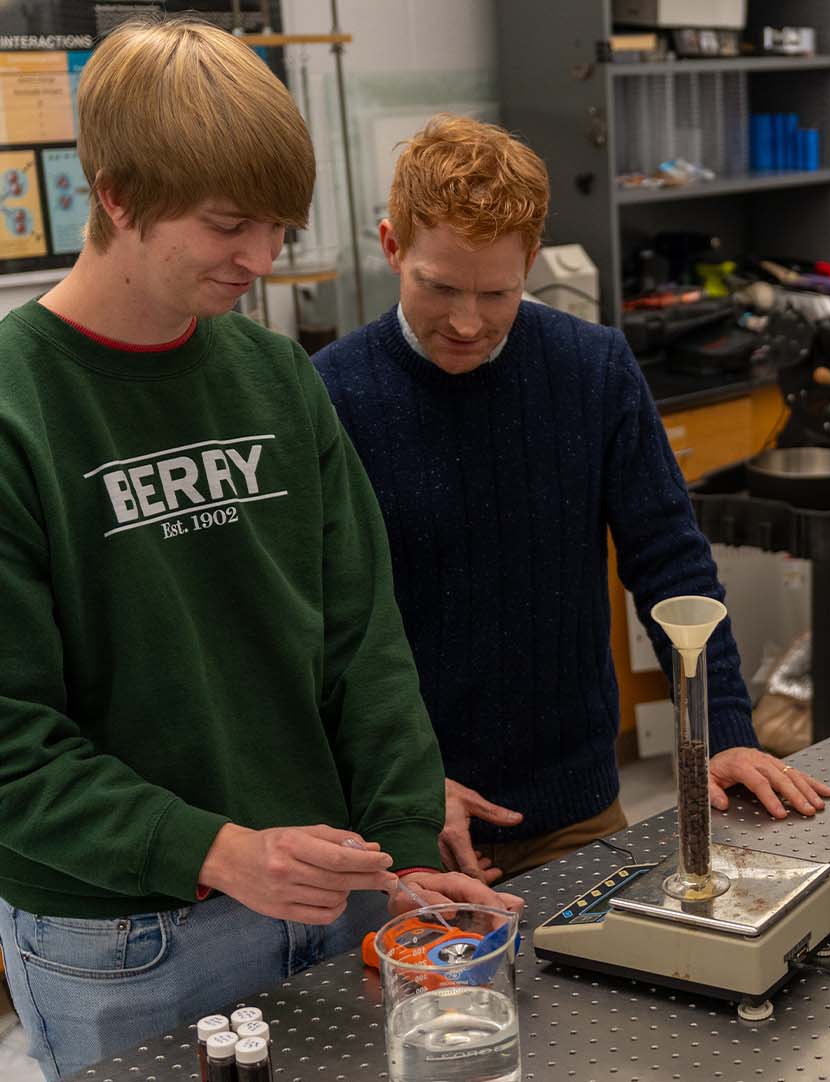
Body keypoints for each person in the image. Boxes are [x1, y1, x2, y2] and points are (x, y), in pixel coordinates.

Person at [0, 19, 514, 1080]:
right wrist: (221, 850)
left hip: (329, 893)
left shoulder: (276, 376)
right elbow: (9, 742)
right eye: (229, 224)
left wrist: (406, 846)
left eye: (278, 226)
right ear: (117, 194)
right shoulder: (18, 410)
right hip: (127, 938)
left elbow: (361, 637)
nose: (261, 259)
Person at [313, 115, 830, 882]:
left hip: (576, 809)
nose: (466, 323)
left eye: (497, 294)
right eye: (439, 287)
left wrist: (724, 729)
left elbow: (672, 565)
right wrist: (400, 789)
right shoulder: (330, 394)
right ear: (392, 247)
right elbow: (317, 633)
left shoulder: (593, 368)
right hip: (408, 823)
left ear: (533, 261)